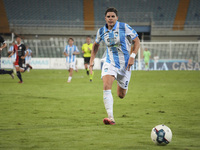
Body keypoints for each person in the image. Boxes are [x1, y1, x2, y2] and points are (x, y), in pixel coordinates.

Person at [89, 7, 140, 125]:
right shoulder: (101, 31)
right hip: (110, 62)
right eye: (108, 16)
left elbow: (137, 41)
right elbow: (96, 45)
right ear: (105, 18)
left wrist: (133, 56)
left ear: (116, 18)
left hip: (125, 65)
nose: (110, 19)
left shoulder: (124, 27)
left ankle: (120, 82)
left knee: (121, 95)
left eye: (113, 16)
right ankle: (110, 117)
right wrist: (91, 61)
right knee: (106, 86)